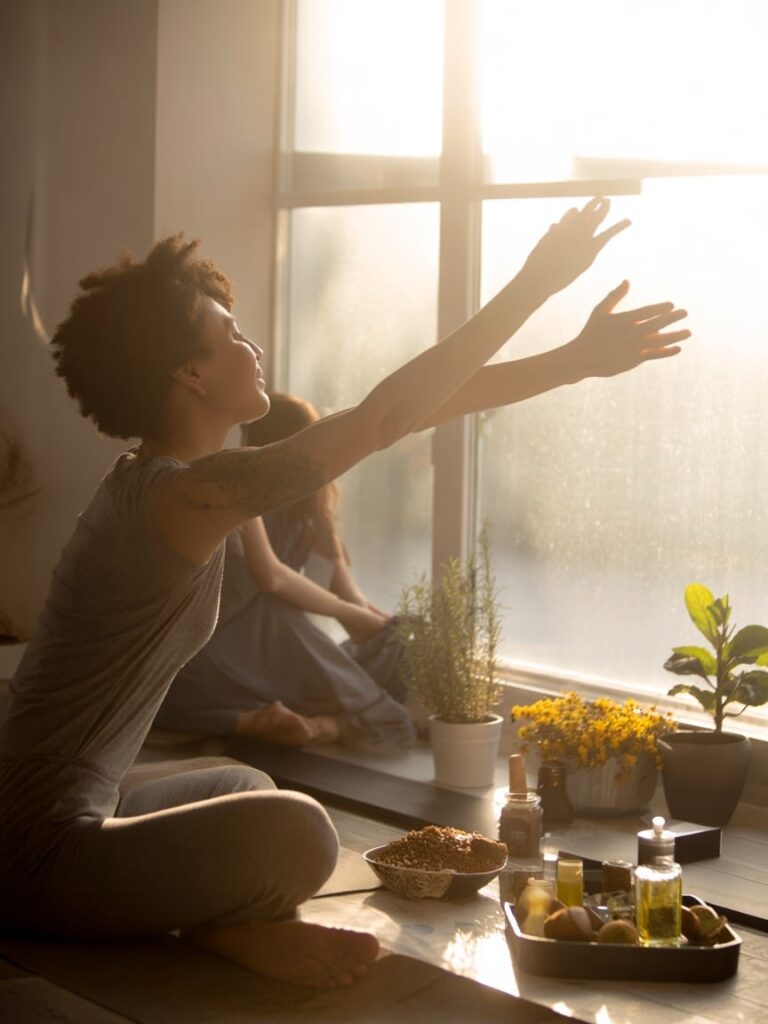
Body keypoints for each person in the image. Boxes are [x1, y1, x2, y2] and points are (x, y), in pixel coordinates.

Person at [0, 198, 690, 989]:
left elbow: (394, 415)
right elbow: (384, 416)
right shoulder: (182, 496)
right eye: (231, 335)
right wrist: (534, 281)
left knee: (243, 785)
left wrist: (570, 361)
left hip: (54, 827)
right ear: (187, 373)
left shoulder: (172, 486)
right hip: (36, 857)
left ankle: (228, 931)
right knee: (299, 834)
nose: (250, 345)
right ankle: (226, 933)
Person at [154, 392, 416, 749]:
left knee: (402, 640)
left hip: (277, 637)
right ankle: (329, 724)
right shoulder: (239, 489)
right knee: (390, 720)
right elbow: (271, 576)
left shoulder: (313, 508)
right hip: (243, 631)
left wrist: (385, 629)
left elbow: (349, 595)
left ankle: (318, 713)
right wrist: (352, 614)